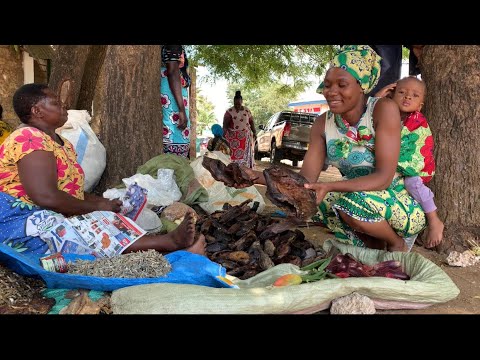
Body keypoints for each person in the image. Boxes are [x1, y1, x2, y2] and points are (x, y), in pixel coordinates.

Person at [222, 45, 427, 252]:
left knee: (348, 205)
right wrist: (252, 176)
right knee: (304, 200)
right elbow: (305, 182)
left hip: (398, 204)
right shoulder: (323, 123)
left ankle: (396, 243)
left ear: (361, 85)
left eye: (342, 84)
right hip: (355, 202)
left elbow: (383, 178)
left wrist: (329, 186)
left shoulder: (383, 109)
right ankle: (372, 244)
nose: (331, 92)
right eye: (327, 85)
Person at [0, 83, 204, 256]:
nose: (63, 107)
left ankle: (164, 245)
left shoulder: (62, 144)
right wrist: (97, 207)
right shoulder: (28, 137)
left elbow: (74, 193)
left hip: (49, 213)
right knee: (77, 229)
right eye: (56, 103)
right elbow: (46, 197)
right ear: (37, 111)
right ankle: (169, 244)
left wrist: (104, 203)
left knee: (105, 219)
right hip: (19, 220)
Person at [375, 76, 443, 248]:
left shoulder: (417, 123)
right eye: (402, 92)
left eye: (414, 95)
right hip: (388, 168)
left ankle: (434, 220)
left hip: (413, 169)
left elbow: (416, 145)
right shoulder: (383, 113)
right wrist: (377, 98)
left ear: (420, 105)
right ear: (391, 95)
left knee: (412, 183)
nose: (407, 97)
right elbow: (367, 120)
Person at [161, 45, 191, 158]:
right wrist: (181, 110)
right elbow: (173, 71)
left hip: (176, 108)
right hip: (174, 110)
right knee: (172, 161)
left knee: (177, 162)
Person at [223, 90, 256, 168]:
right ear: (233, 102)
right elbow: (225, 125)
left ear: (242, 102)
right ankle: (234, 168)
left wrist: (254, 132)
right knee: (234, 155)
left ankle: (245, 168)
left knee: (245, 155)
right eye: (235, 104)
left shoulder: (247, 110)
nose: (237, 106)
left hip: (245, 138)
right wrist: (224, 136)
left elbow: (251, 122)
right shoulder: (229, 112)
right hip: (233, 138)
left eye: (238, 104)